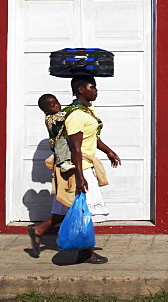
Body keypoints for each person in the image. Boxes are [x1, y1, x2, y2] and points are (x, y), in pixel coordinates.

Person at [28, 75, 121, 264]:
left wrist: (109, 151)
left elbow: (92, 137)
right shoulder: (77, 115)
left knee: (67, 207)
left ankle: (39, 230)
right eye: (92, 87)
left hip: (81, 167)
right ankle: (86, 252)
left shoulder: (87, 111)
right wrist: (80, 177)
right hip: (79, 169)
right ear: (81, 90)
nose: (95, 90)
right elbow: (75, 148)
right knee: (84, 211)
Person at [37, 93, 75, 173]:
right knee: (61, 143)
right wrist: (73, 108)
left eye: (57, 102)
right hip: (55, 141)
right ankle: (63, 163)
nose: (57, 105)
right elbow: (63, 116)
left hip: (63, 138)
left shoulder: (57, 113)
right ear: (46, 111)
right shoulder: (50, 118)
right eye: (53, 105)